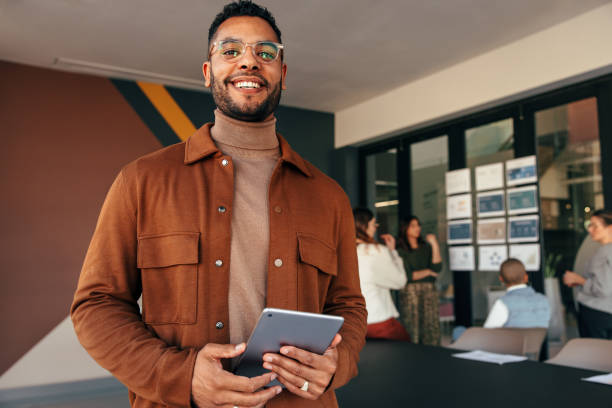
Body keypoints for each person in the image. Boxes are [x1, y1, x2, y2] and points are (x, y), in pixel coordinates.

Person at [70, 2, 367, 407]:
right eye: (230, 51)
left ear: (282, 73)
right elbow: (97, 305)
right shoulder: (141, 180)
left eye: (265, 53)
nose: (249, 62)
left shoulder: (328, 195)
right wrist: (182, 376)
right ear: (208, 71)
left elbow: (347, 305)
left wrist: (339, 362)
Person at [353, 208, 410, 341]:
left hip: (350, 324)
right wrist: (392, 252)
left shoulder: (341, 251)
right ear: (363, 226)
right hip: (376, 320)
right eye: (373, 224)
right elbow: (400, 281)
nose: (375, 228)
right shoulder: (375, 251)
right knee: (406, 343)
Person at [563, 209, 612, 339]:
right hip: (605, 313)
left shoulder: (605, 252)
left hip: (598, 314)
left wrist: (580, 280)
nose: (590, 229)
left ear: (610, 228)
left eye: (595, 226)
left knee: (596, 356)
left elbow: (604, 289)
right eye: (589, 225)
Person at [397, 216, 442, 345]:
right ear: (405, 229)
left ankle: (433, 355)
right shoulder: (400, 250)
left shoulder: (426, 247)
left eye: (418, 225)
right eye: (413, 225)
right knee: (412, 325)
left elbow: (437, 267)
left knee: (431, 325)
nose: (417, 228)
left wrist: (434, 244)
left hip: (429, 290)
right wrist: (427, 272)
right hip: (410, 292)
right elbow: (408, 275)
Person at [483, 258, 550, 329]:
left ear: (501, 279)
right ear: (526, 277)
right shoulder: (544, 300)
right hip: (536, 340)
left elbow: (487, 333)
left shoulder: (503, 303)